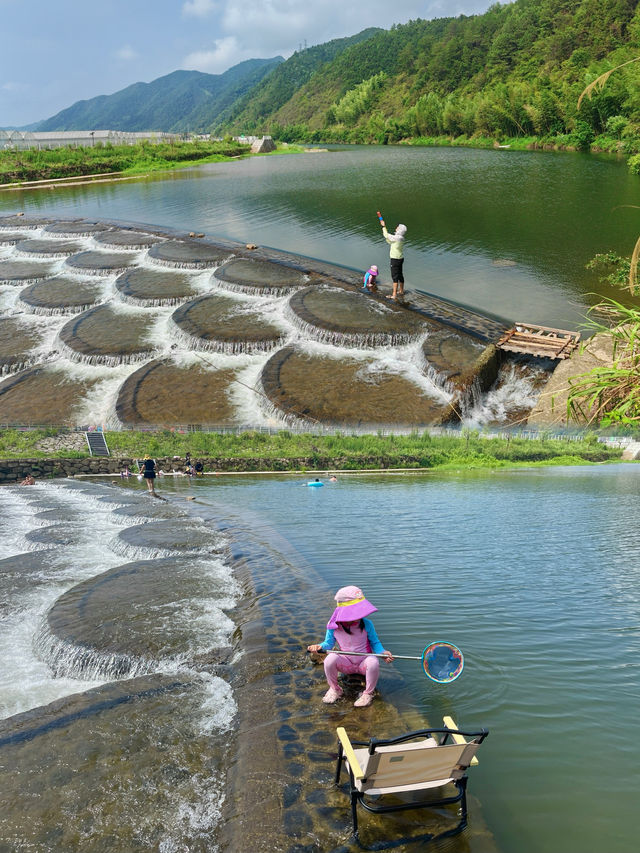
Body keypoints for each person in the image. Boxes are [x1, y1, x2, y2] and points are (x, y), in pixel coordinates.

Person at [307, 585, 393, 708]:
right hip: (346, 663)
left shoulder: (366, 624)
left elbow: (375, 643)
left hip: (363, 663)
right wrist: (318, 647)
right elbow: (328, 644)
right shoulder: (334, 626)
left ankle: (368, 693)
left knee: (373, 661)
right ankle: (335, 689)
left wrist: (383, 653)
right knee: (330, 658)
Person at [379, 215, 407, 301]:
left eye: (398, 227)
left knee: (394, 276)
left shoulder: (396, 237)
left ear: (400, 230)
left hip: (394, 259)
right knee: (400, 275)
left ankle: (394, 295)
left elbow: (386, 235)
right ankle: (401, 291)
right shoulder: (401, 238)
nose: (396, 227)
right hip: (400, 258)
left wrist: (383, 226)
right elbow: (390, 241)